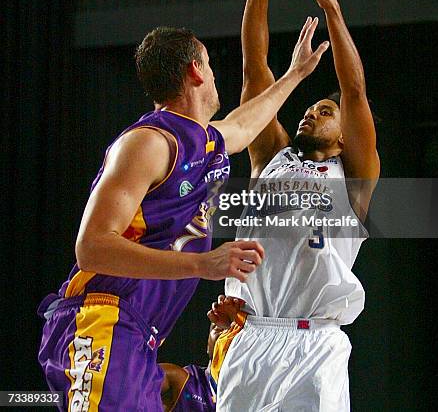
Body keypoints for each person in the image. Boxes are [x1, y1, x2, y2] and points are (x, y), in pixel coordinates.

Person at [38, 22, 329, 411]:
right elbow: (91, 247)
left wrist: (296, 74)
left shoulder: (204, 140)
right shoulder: (149, 144)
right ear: (195, 71)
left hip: (138, 335)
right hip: (101, 318)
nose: (212, 75)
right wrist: (202, 263)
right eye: (208, 65)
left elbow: (245, 123)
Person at [215, 0, 380, 412]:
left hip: (318, 342)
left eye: (323, 112)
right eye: (310, 108)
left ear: (346, 134)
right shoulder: (271, 155)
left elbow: (354, 91)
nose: (311, 110)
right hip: (254, 335)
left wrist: (331, 7)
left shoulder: (353, 183)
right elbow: (255, 67)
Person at [160, 297, 243, 411]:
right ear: (208, 344)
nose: (227, 339)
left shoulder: (261, 395)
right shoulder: (180, 381)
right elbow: (132, 379)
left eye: (236, 333)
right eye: (221, 330)